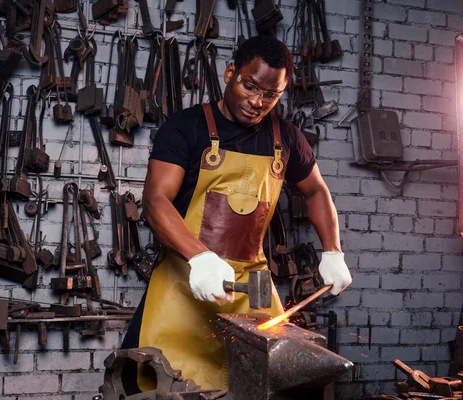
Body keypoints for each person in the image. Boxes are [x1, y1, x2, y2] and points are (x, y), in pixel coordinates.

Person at [121, 35, 352, 392]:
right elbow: (155, 202)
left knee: (270, 385)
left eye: (271, 95)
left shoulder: (286, 138)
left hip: (252, 292)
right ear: (231, 73)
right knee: (148, 384)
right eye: (250, 86)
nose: (257, 102)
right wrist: (200, 257)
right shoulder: (186, 128)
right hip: (185, 281)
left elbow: (316, 190)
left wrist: (333, 250)